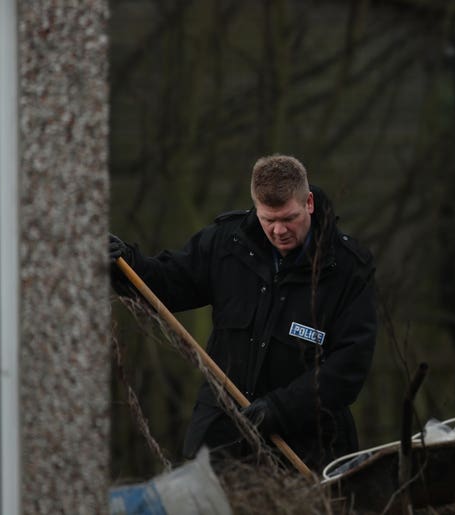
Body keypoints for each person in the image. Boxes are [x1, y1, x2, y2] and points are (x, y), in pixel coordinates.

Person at [109, 155, 377, 472]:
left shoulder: (348, 268)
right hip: (222, 440)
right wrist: (124, 264)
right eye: (268, 220)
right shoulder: (226, 244)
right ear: (255, 208)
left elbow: (348, 368)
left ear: (309, 203)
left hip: (307, 448)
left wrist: (280, 409)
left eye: (289, 218)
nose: (279, 230)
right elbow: (167, 284)